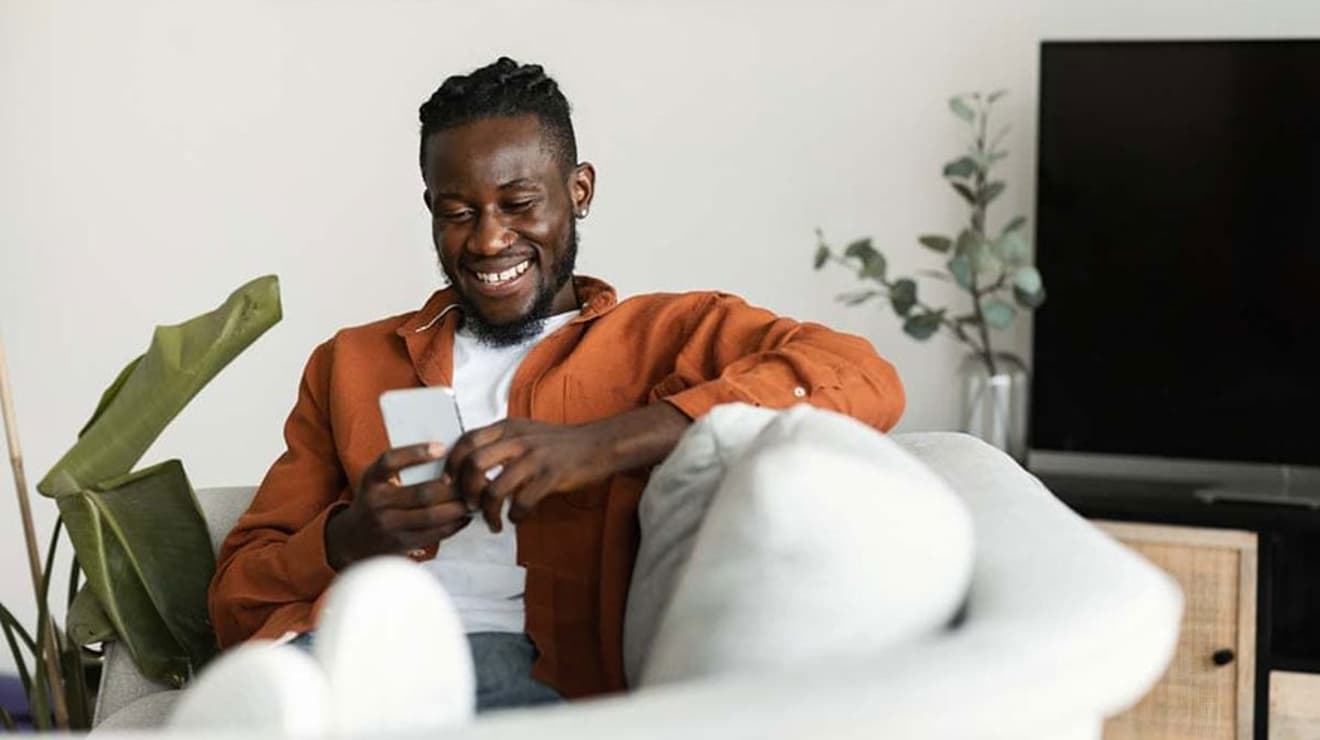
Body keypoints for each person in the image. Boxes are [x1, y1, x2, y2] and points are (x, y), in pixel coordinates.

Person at [207, 56, 905, 712]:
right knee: (292, 692)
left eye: (518, 203)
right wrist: (349, 536)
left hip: (517, 676)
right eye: (456, 212)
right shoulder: (351, 362)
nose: (486, 240)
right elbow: (233, 593)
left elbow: (859, 376)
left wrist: (600, 445)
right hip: (342, 651)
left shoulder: (666, 334)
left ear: (580, 191)